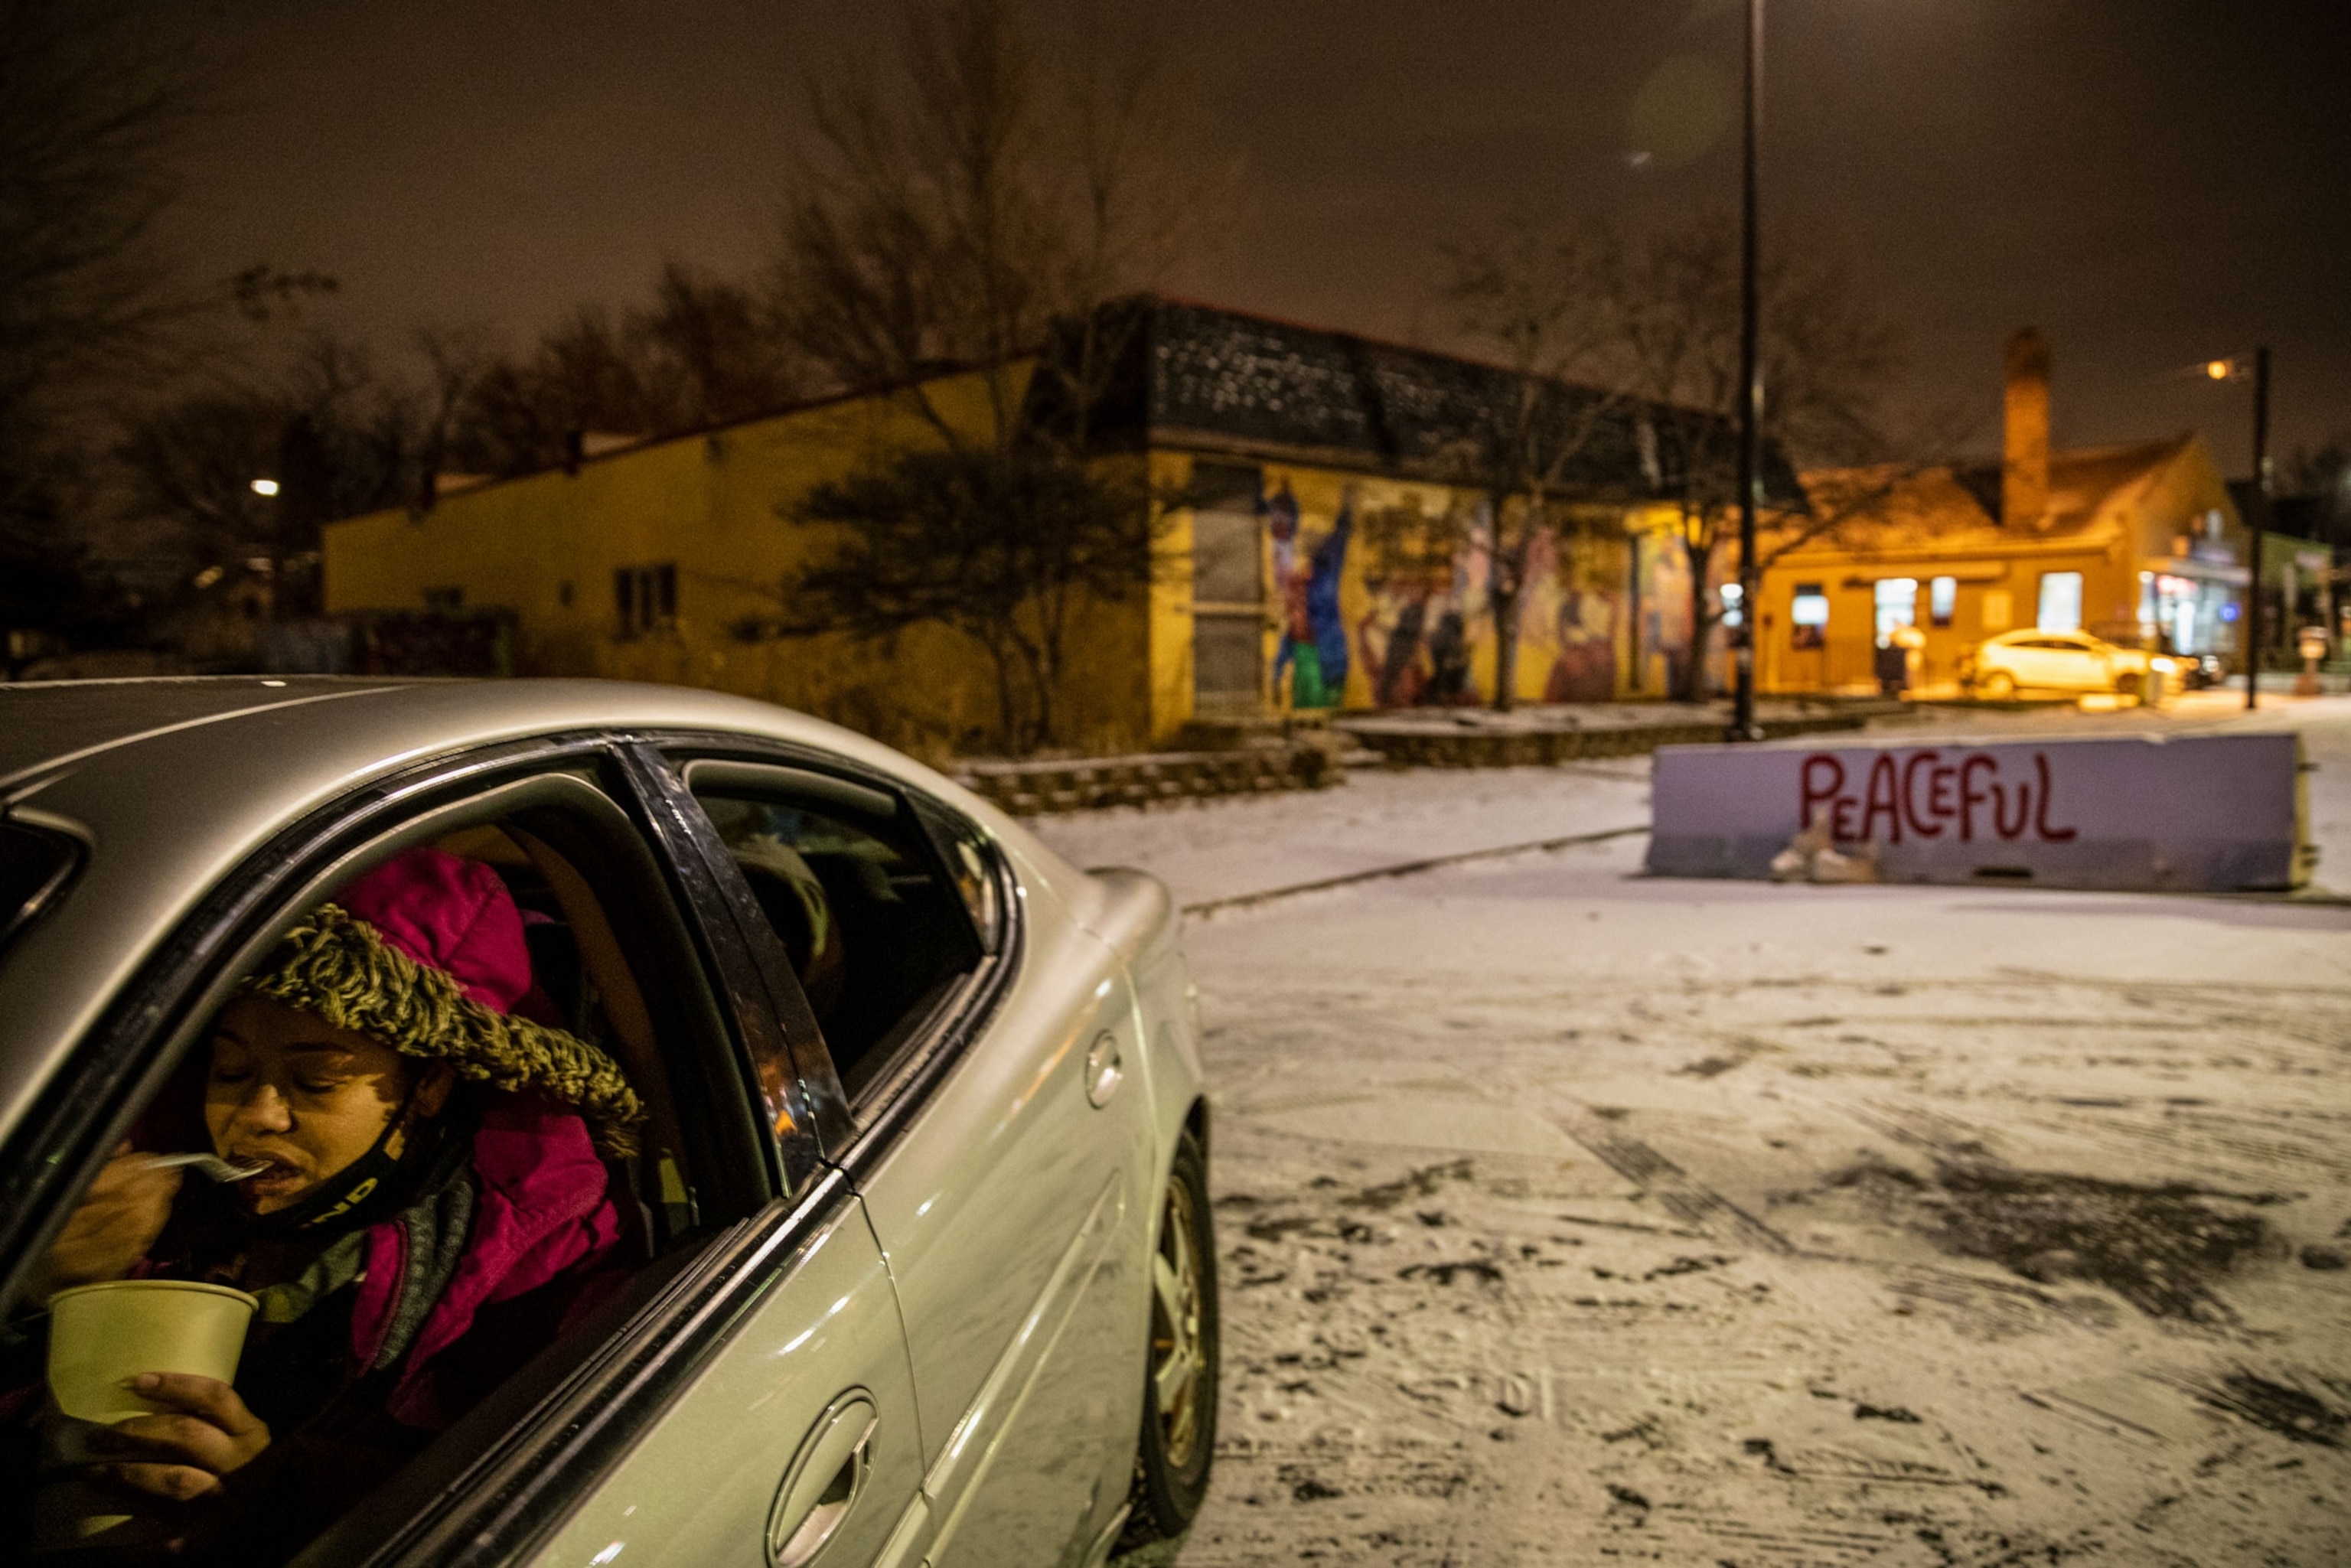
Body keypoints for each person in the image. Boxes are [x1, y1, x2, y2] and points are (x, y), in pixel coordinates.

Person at [5, 848, 645, 1561]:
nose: (256, 1115)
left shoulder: (542, 1257)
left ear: (430, 1083)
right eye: (232, 1069)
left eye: (313, 1082)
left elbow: (533, 1505)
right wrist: (37, 1290)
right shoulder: (149, 1197)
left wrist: (277, 1491)